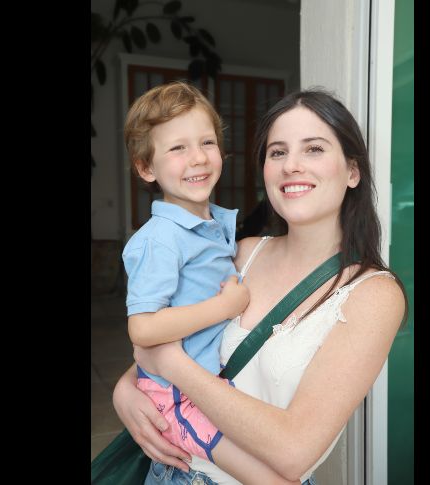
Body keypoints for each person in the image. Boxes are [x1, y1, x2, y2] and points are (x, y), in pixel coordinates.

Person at [113, 88, 408, 485]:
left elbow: (294, 453)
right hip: (169, 473)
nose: (292, 166)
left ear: (352, 171)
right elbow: (168, 339)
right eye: (278, 152)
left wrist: (168, 364)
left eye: (315, 149)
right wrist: (125, 389)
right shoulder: (237, 254)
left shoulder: (372, 294)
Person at [120, 80, 301, 485]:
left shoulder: (211, 226)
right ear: (146, 167)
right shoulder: (161, 239)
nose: (197, 158)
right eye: (177, 148)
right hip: (177, 397)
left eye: (206, 142)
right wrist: (225, 307)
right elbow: (143, 327)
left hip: (206, 387)